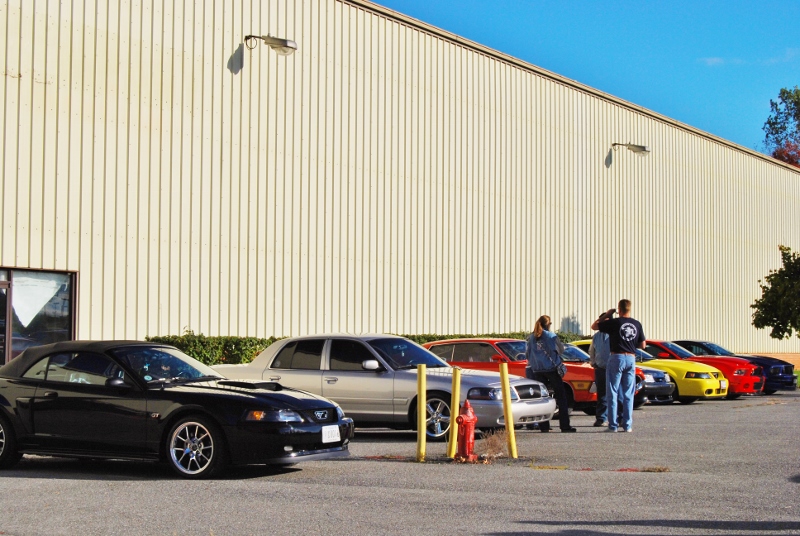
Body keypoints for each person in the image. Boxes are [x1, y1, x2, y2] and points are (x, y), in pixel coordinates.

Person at [591, 300, 645, 433]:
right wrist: (630, 344)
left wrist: (607, 314)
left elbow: (594, 326)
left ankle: (613, 425)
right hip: (631, 358)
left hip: (617, 357)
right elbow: (643, 345)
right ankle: (627, 425)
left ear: (619, 310)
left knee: (612, 391)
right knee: (628, 393)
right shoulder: (637, 324)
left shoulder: (615, 323)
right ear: (629, 309)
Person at [525, 315, 576, 433]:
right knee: (561, 397)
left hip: (537, 370)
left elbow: (527, 354)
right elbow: (561, 350)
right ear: (548, 324)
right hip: (551, 369)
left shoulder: (531, 337)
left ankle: (544, 426)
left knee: (542, 398)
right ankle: (565, 425)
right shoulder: (551, 336)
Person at [588, 311, 613, 427]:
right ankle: (601, 418)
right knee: (602, 395)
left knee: (615, 394)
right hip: (600, 368)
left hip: (613, 368)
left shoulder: (614, 334)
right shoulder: (597, 336)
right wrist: (593, 363)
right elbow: (592, 350)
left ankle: (616, 418)